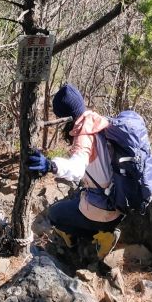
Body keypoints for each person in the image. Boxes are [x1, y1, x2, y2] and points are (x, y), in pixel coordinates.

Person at [27, 84, 122, 261]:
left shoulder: (84, 135)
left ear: (65, 118)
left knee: (55, 214)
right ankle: (103, 227)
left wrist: (50, 165)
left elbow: (77, 167)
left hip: (104, 210)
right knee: (76, 198)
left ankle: (101, 235)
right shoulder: (97, 122)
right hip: (119, 200)